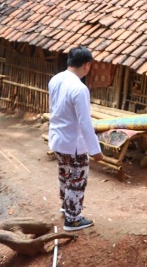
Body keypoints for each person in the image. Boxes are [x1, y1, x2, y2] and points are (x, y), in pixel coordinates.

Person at [48, 46, 104, 231]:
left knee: (64, 175)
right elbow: (85, 122)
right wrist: (95, 150)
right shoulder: (80, 89)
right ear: (87, 65)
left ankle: (66, 207)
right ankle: (73, 219)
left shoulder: (55, 79)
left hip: (58, 138)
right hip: (73, 143)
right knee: (77, 179)